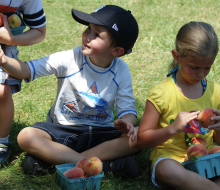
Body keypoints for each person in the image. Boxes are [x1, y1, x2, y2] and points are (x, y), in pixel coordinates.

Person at [0, 5, 140, 178]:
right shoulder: (70, 58)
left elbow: (128, 109)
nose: (87, 36)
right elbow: (26, 70)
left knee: (139, 136)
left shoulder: (121, 70)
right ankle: (104, 166)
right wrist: (4, 59)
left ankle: (62, 161)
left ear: (116, 51)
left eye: (96, 34)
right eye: (88, 29)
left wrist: (127, 122)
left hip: (100, 134)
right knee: (26, 136)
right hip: (62, 132)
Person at [137, 21, 220, 189]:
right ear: (177, 56)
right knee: (168, 171)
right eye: (194, 67)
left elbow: (218, 141)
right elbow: (142, 140)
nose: (201, 74)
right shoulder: (160, 93)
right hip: (172, 158)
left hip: (209, 158)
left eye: (207, 68)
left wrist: (218, 128)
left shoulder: (215, 91)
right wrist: (173, 128)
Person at [0, 0, 46, 169]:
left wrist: (11, 39)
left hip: (4, 41)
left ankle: (1, 142)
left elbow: (39, 31)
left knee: (1, 92)